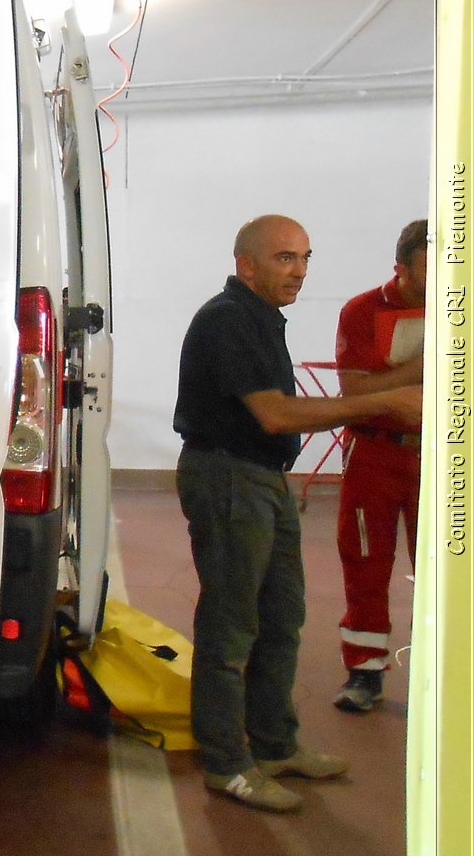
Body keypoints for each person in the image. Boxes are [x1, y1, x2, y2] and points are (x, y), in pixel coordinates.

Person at [173, 214, 421, 814]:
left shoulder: (260, 319)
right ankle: (227, 763)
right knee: (232, 625)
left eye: (306, 258)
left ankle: (274, 744)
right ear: (247, 263)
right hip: (229, 477)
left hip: (263, 478)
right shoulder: (227, 321)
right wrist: (384, 398)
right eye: (286, 258)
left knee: (281, 618)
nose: (300, 271)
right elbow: (276, 415)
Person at [332, 218, 427, 712]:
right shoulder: (361, 311)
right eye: (428, 269)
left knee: (441, 566)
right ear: (401, 268)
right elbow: (356, 392)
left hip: (441, 454)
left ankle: (439, 671)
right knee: (366, 559)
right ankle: (364, 672)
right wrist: (425, 364)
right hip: (374, 451)